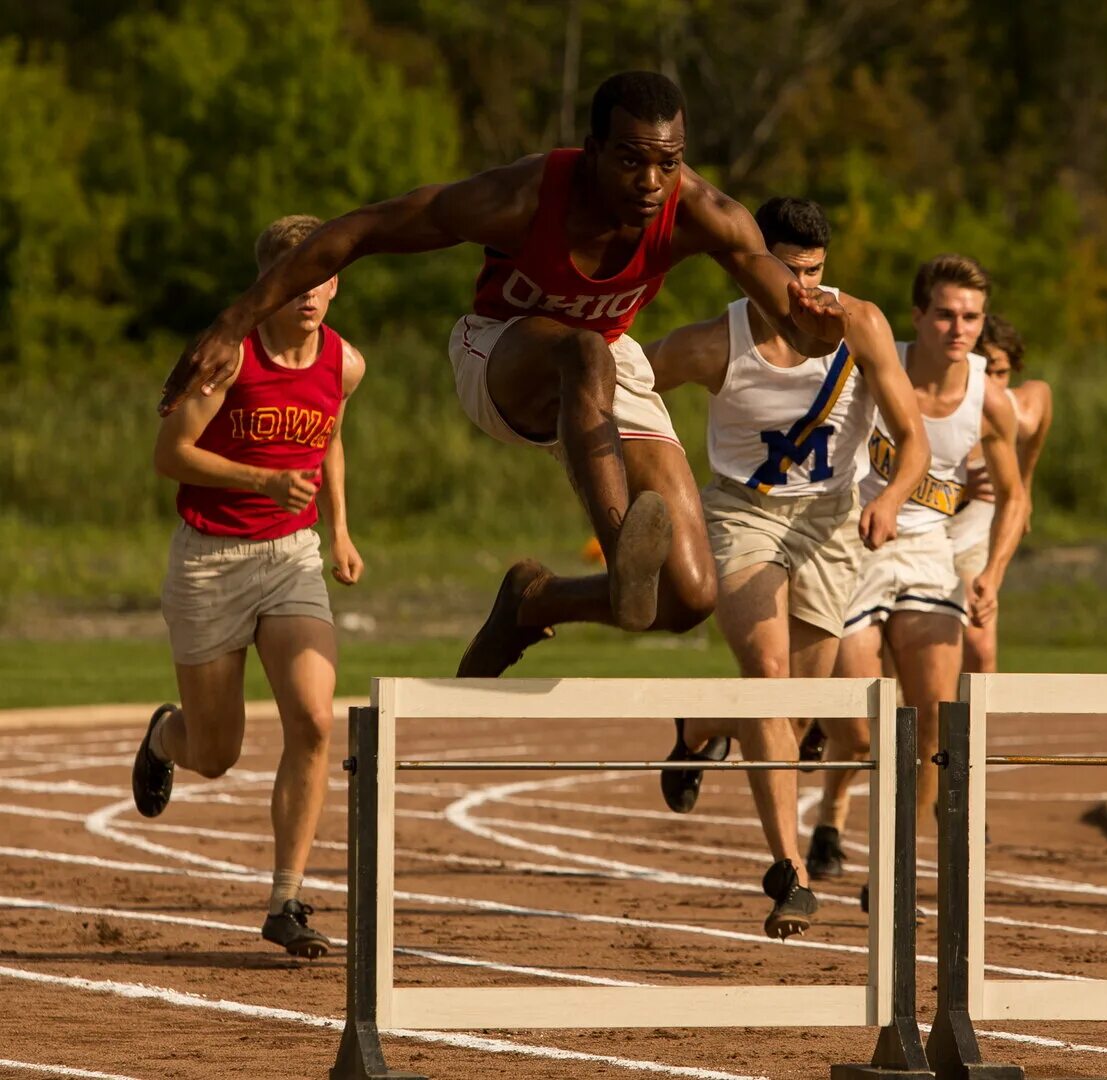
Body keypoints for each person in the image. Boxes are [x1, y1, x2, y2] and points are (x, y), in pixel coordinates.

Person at [157, 71, 849, 682]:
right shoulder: (523, 195)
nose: (649, 182)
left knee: (688, 598)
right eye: (631, 161)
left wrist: (814, 324)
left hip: (607, 368)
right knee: (583, 353)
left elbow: (781, 296)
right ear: (592, 150)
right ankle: (622, 560)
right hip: (498, 357)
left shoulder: (704, 213)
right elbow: (364, 229)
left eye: (667, 163)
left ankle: (534, 601)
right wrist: (236, 320)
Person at [642, 196, 930, 938]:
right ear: (753, 269)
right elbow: (620, 389)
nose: (805, 290)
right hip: (742, 515)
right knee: (768, 677)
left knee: (801, 708)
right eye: (788, 273)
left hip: (832, 523)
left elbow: (913, 438)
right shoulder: (711, 344)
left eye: (815, 272)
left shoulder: (859, 324)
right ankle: (789, 873)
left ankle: (702, 725)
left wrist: (893, 496)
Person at [134, 215, 367, 958]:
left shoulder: (346, 362)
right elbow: (170, 454)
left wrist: (339, 531)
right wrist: (264, 477)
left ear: (335, 281)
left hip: (289, 557)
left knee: (315, 719)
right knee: (216, 752)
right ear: (267, 286)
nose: (310, 292)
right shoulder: (228, 359)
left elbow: (329, 439)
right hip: (209, 560)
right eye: (293, 278)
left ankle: (286, 899)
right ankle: (165, 736)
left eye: (322, 275)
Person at [807, 255, 1027, 879]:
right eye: (946, 314)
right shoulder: (876, 364)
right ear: (918, 316)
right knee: (858, 723)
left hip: (929, 552)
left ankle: (895, 866)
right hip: (855, 544)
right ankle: (831, 804)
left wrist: (992, 574)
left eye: (972, 317)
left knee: (934, 714)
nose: (959, 329)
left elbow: (1016, 496)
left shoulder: (989, 396)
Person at [947, 314, 1052, 674]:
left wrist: (1024, 484)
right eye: (982, 371)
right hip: (923, 537)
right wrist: (957, 490)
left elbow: (1042, 396)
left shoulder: (1012, 409)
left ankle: (973, 731)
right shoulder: (940, 404)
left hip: (972, 541)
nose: (991, 384)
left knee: (980, 646)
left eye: (1001, 373)